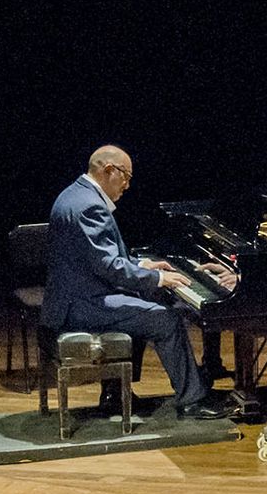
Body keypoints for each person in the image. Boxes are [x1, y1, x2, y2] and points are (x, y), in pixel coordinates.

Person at [39, 146, 229, 418]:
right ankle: (192, 400)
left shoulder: (75, 194)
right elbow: (109, 267)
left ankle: (115, 394)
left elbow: (97, 258)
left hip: (76, 297)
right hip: (80, 306)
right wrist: (159, 278)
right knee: (166, 320)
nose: (127, 185)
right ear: (109, 170)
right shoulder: (89, 206)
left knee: (145, 301)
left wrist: (142, 266)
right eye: (126, 176)